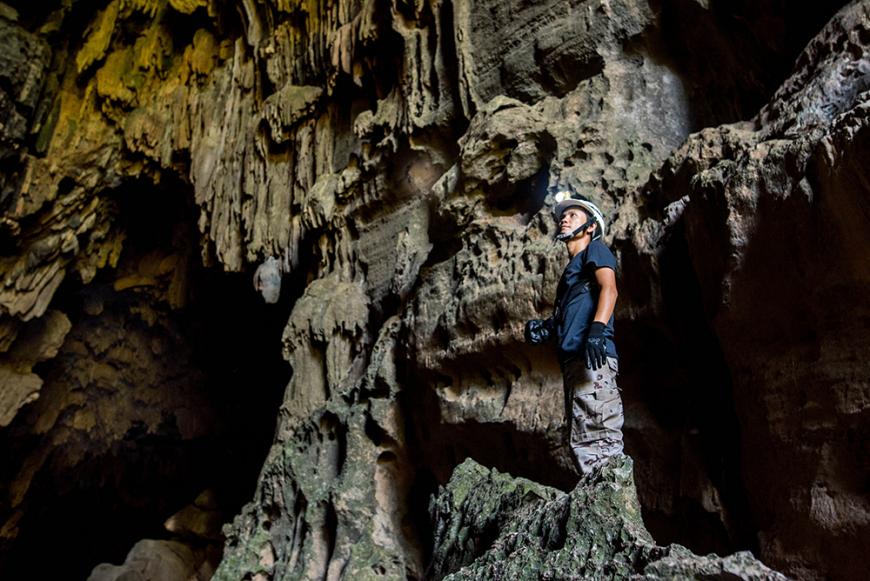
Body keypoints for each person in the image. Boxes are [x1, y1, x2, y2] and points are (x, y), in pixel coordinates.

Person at [525, 192, 624, 476]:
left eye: (573, 216)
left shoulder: (595, 250)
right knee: (582, 442)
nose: (564, 220)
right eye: (563, 216)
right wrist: (547, 328)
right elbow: (571, 313)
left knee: (600, 436)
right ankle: (595, 505)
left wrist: (596, 331)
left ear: (590, 226)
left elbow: (610, 288)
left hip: (594, 357)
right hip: (574, 362)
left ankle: (611, 508)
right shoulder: (570, 274)